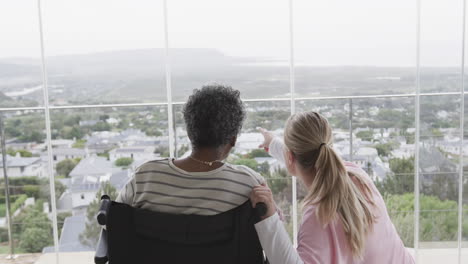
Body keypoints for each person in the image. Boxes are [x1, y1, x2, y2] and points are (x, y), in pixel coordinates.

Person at [250, 111, 414, 264]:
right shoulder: (357, 175)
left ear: (290, 156)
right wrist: (274, 144)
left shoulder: (318, 215)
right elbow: (310, 156)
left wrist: (270, 219)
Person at [116, 84, 264, 215]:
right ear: (233, 139)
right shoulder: (250, 184)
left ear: (189, 132)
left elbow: (113, 225)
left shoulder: (145, 176)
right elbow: (268, 230)